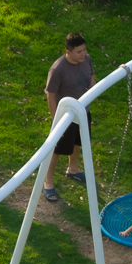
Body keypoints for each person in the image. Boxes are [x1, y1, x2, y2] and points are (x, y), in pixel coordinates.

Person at [43, 32, 96, 203]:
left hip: (83, 111)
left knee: (79, 141)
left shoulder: (86, 59)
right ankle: (47, 182)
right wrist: (55, 119)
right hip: (65, 116)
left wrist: (92, 82)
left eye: (84, 50)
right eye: (79, 51)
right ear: (68, 52)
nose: (83, 54)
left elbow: (91, 74)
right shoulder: (58, 70)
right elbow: (51, 95)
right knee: (56, 149)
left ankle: (73, 169)